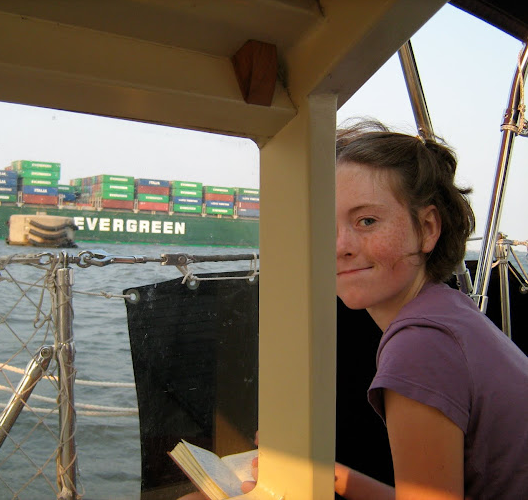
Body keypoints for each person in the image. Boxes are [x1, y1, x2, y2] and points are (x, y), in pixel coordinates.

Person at [181, 120, 528, 499]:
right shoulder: (449, 312)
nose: (340, 246)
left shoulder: (420, 346)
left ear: (427, 228)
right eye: (326, 226)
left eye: (366, 221)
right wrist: (324, 475)